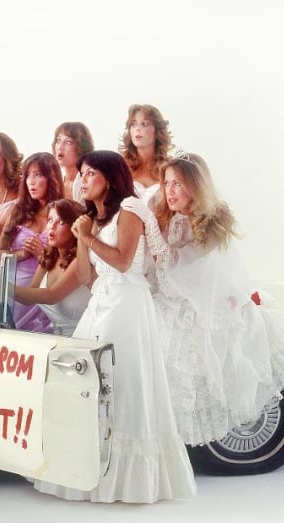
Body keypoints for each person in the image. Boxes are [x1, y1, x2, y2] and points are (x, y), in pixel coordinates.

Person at [32, 150, 196, 503]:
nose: (83, 180)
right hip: (102, 301)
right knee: (86, 381)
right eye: (82, 174)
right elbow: (87, 274)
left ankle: (125, 480)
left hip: (126, 305)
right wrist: (81, 236)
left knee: (118, 383)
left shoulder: (131, 210)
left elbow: (123, 262)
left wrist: (89, 238)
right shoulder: (97, 217)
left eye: (91, 173)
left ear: (109, 177)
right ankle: (86, 468)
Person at [146, 152, 284, 446]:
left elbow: (181, 270)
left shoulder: (210, 223)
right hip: (173, 299)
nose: (169, 191)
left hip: (195, 304)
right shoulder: (171, 218)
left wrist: (149, 228)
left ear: (195, 187)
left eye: (178, 185)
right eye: (167, 183)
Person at [0, 152, 63, 332]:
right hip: (13, 295)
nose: (30, 181)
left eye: (37, 175)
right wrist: (20, 254)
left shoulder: (63, 213)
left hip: (44, 295)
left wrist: (42, 254)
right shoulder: (19, 210)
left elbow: (69, 263)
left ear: (51, 178)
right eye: (27, 175)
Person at [13, 198, 91, 336]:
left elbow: (51, 295)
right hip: (57, 338)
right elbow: (28, 297)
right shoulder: (49, 257)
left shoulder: (80, 260)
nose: (52, 227)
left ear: (74, 227)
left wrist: (3, 286)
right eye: (49, 220)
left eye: (61, 222)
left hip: (85, 336)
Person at [119, 104, 173, 205]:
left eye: (145, 124)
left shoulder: (170, 169)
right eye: (133, 124)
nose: (137, 129)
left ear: (157, 131)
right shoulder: (120, 167)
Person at [51, 122, 95, 202]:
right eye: (58, 141)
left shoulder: (88, 183)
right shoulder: (56, 183)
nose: (60, 147)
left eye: (68, 142)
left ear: (81, 147)